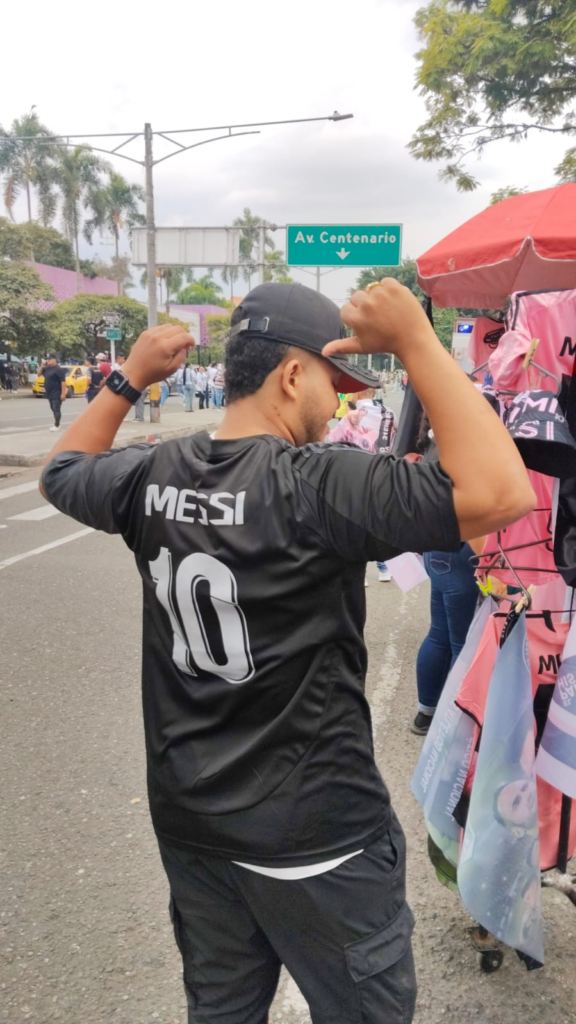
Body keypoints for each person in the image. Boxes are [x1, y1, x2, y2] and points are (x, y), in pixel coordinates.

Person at [41, 280, 535, 1024]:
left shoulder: (153, 472)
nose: (337, 406)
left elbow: (62, 473)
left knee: (223, 1010)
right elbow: (502, 493)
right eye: (334, 386)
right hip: (318, 837)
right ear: (294, 374)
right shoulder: (317, 484)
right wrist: (417, 340)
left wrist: (130, 376)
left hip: (193, 824)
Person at [412, 414, 483, 735]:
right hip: (461, 550)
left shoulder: (433, 443)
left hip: (435, 550)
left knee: (439, 634)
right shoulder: (463, 445)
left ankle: (426, 713)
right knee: (462, 644)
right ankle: (453, 727)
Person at [42, 353, 67, 431]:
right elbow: (38, 374)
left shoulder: (58, 369)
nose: (48, 360)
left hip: (57, 392)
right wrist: (41, 366)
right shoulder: (47, 368)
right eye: (47, 359)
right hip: (49, 392)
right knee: (52, 408)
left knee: (56, 408)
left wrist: (63, 393)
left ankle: (57, 425)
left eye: (49, 359)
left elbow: (63, 382)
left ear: (55, 360)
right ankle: (57, 423)